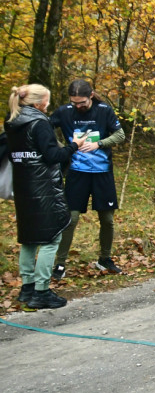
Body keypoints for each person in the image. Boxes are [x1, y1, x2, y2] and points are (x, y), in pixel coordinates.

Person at [7, 85, 86, 309]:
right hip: (43, 187)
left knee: (29, 238)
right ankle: (41, 291)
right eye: (47, 102)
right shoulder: (39, 123)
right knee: (52, 238)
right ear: (38, 103)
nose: (48, 106)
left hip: (23, 186)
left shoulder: (12, 120)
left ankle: (27, 288)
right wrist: (74, 146)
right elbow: (52, 155)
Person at [50, 79, 125, 281]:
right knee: (71, 219)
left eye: (82, 102)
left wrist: (99, 144)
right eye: (74, 102)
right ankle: (60, 263)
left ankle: (105, 258)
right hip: (76, 173)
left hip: (102, 173)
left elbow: (120, 135)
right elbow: (44, 128)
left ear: (91, 95)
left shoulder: (104, 110)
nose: (78, 106)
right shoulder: (64, 111)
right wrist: (62, 148)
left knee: (107, 220)